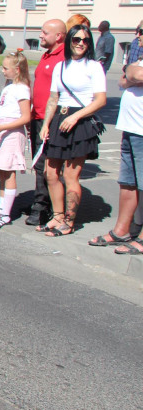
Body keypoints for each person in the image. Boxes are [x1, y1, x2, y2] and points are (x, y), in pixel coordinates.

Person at [38, 25, 107, 236]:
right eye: (76, 39)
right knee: (50, 173)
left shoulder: (94, 67)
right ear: (69, 41)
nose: (80, 44)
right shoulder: (60, 66)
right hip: (60, 117)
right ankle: (57, 215)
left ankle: (68, 222)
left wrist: (76, 116)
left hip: (80, 120)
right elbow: (53, 98)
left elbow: (101, 100)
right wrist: (46, 124)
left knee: (70, 176)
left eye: (85, 41)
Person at [92, 49, 143, 251]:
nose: (139, 37)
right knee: (128, 183)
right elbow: (122, 81)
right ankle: (121, 230)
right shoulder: (139, 60)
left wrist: (131, 73)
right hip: (131, 128)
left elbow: (135, 75)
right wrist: (131, 74)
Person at [0, 51, 32, 228]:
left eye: (5, 68)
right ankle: (1, 208)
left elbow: (25, 117)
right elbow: (2, 115)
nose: (2, 71)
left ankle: (6, 214)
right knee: (2, 171)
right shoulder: (8, 87)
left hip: (12, 133)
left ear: (17, 70)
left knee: (9, 172)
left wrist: (2, 128)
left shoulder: (22, 89)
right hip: (2, 132)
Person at [26, 20, 67, 226]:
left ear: (58, 36)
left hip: (51, 119)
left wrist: (49, 121)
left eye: (44, 32)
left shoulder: (64, 57)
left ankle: (42, 207)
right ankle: (39, 200)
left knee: (47, 165)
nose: (40, 36)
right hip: (38, 116)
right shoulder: (47, 54)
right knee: (38, 163)